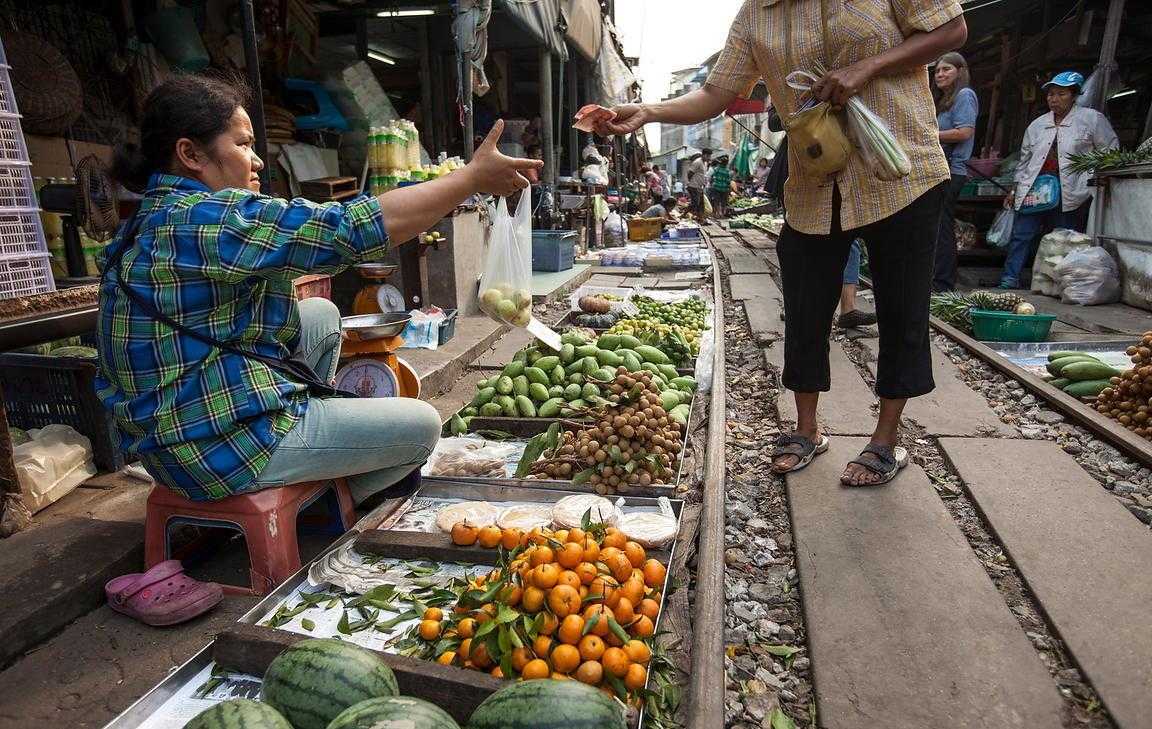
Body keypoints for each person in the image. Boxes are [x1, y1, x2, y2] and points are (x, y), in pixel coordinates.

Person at [96, 75, 542, 505]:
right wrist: (468, 179)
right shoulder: (205, 219)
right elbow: (346, 229)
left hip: (167, 434)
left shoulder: (153, 213)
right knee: (422, 425)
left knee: (321, 316)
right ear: (190, 154)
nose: (257, 161)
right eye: (243, 144)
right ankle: (328, 501)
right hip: (213, 451)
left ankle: (314, 447)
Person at [593, 0, 967, 486]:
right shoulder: (755, 15)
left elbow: (952, 30)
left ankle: (885, 441)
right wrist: (646, 111)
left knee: (903, 310)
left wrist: (865, 68)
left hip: (902, 171)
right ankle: (806, 429)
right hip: (815, 180)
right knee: (806, 308)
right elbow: (714, 92)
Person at [999, 71, 1119, 289]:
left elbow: (1110, 151)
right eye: (1051, 94)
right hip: (1035, 188)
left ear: (1074, 95)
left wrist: (1095, 177)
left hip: (1071, 189)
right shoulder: (1037, 125)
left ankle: (1060, 284)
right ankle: (1010, 278)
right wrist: (1014, 188)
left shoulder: (1091, 120)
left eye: (1061, 94)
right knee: (1022, 235)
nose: (1053, 99)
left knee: (1064, 238)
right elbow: (1024, 161)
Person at [766, 108, 876, 330]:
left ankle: (847, 308)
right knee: (799, 240)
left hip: (840, 164)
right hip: (800, 168)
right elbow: (774, 121)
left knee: (850, 238)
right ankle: (796, 306)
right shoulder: (786, 80)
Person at [933, 52, 978, 292]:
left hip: (953, 169)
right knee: (938, 225)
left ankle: (942, 284)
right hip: (942, 169)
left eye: (946, 69)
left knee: (942, 225)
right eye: (938, 70)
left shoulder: (965, 95)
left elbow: (964, 132)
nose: (940, 74)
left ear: (960, 72)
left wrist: (929, 136)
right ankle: (938, 280)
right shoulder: (946, 101)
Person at [685, 149, 711, 219]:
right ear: (703, 155)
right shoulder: (697, 162)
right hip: (694, 186)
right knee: (695, 203)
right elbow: (690, 173)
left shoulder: (705, 163)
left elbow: (702, 175)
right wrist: (690, 183)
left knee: (701, 204)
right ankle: (685, 214)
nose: (709, 158)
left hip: (700, 187)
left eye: (709, 156)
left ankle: (700, 218)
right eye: (708, 156)